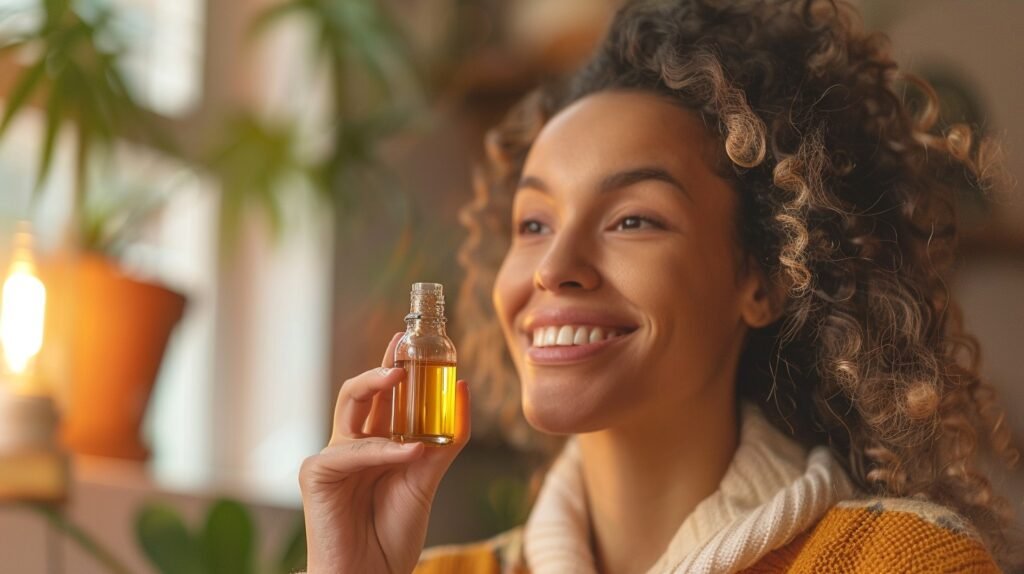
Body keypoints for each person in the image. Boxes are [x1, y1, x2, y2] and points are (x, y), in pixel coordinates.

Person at [298, 0, 1022, 572]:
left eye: (633, 220)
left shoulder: (903, 565)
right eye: (534, 224)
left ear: (765, 277)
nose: (553, 269)